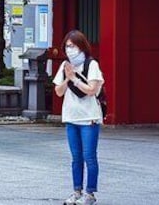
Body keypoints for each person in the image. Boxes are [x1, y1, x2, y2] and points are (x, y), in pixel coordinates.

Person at [53, 29, 104, 205]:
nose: (69, 50)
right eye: (67, 47)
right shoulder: (65, 66)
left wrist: (74, 79)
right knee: (76, 158)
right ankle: (76, 191)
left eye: (72, 46)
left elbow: (92, 90)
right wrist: (67, 79)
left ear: (81, 46)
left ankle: (90, 194)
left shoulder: (92, 65)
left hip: (89, 118)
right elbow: (58, 91)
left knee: (89, 156)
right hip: (71, 117)